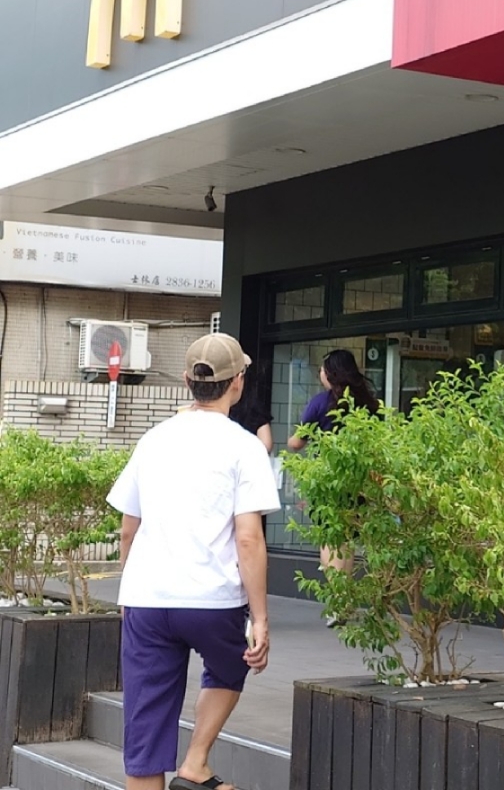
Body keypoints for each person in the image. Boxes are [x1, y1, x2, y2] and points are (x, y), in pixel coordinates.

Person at [107, 333, 280, 790]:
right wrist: (260, 618)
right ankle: (196, 761)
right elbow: (248, 539)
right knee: (232, 663)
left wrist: (130, 589)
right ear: (237, 382)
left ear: (187, 381)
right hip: (211, 600)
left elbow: (129, 528)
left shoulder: (153, 440)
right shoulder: (246, 447)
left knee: (144, 722)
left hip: (146, 599)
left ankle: (185, 770)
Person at [287, 349, 380, 593]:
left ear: (331, 374)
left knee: (331, 538)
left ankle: (338, 599)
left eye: (322, 368)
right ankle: (345, 596)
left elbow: (296, 443)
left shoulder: (321, 402)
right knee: (347, 538)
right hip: (359, 481)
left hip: (328, 482)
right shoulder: (370, 403)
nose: (319, 373)